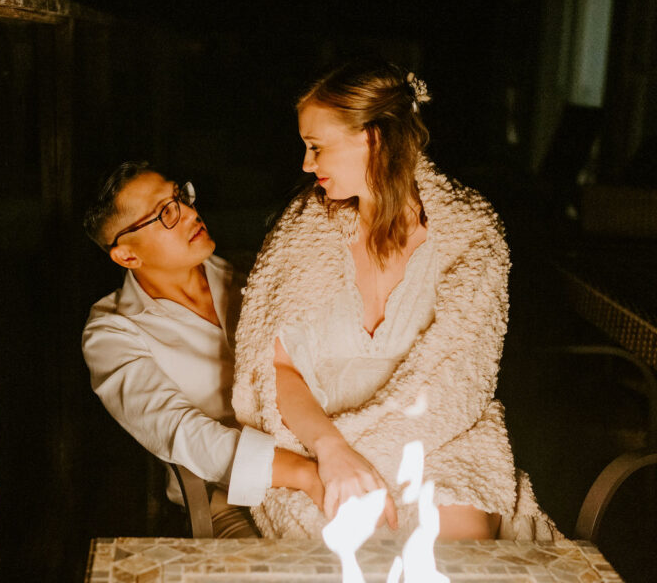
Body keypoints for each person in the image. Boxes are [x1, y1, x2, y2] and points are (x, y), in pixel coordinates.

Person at [232, 58, 559, 541]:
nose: (306, 164)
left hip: (440, 444)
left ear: (373, 137)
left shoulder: (471, 234)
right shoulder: (303, 229)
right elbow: (271, 370)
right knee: (342, 560)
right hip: (319, 446)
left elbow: (459, 381)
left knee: (452, 563)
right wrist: (334, 452)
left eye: (316, 147)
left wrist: (375, 459)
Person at [82, 161, 323, 538]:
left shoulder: (251, 273)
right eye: (165, 213)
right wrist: (305, 474)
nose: (190, 213)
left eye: (180, 196)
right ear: (128, 255)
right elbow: (179, 430)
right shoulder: (112, 331)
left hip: (323, 452)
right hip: (233, 498)